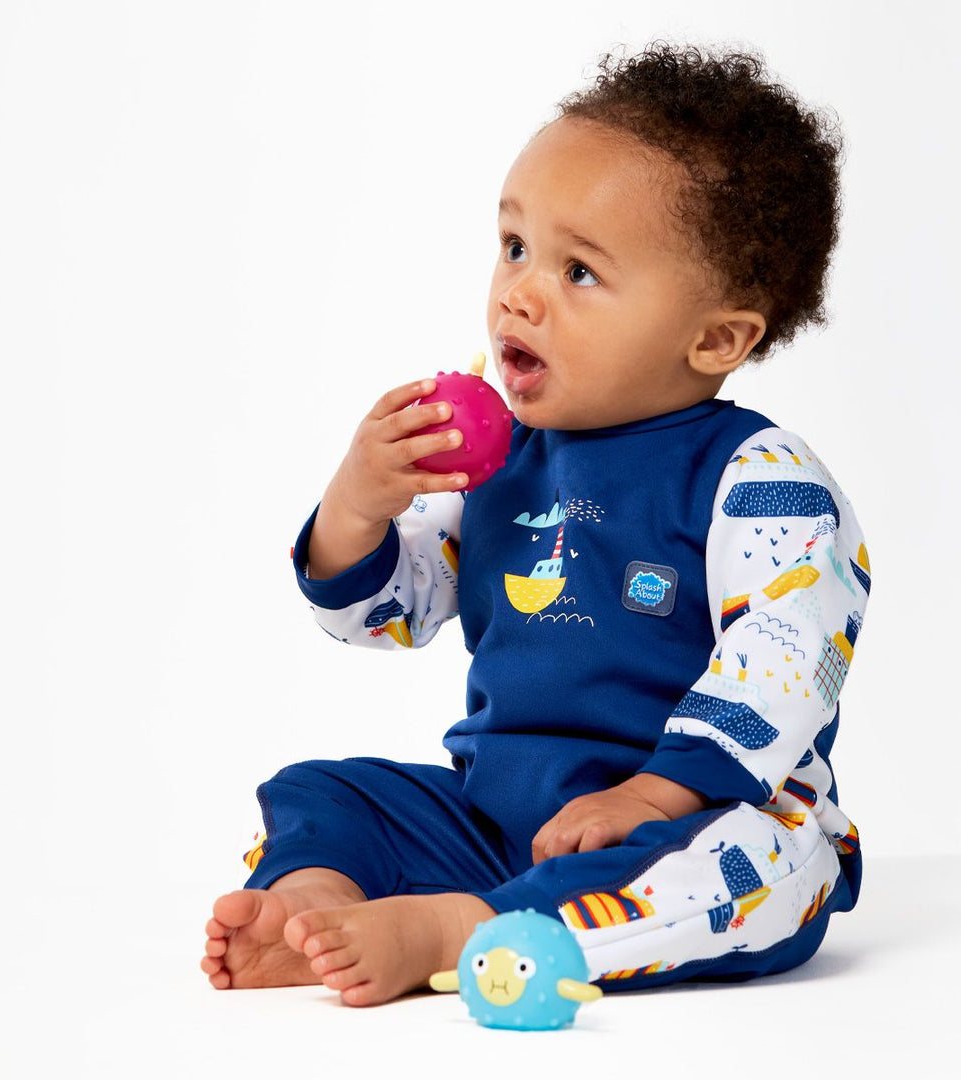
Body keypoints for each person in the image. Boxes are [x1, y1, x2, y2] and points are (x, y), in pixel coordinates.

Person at [201, 44, 869, 1006]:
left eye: (579, 272)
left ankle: (467, 928)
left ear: (716, 338)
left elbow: (786, 656)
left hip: (684, 812)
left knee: (762, 864)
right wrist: (359, 503)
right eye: (514, 247)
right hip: (497, 817)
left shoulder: (758, 480)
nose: (519, 291)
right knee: (322, 790)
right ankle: (314, 904)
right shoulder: (492, 458)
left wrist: (648, 797)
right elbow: (386, 615)